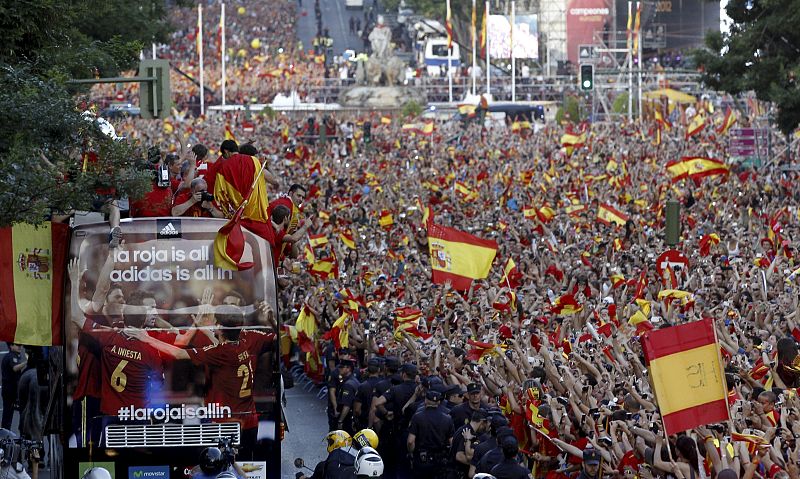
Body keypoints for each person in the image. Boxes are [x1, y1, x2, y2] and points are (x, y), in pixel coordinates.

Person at [128, 304, 275, 460]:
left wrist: (146, 338)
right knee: (247, 463)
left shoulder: (219, 352)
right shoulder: (248, 339)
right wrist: (272, 320)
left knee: (223, 464)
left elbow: (178, 353)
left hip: (226, 424)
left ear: (219, 327)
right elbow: (273, 338)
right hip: (250, 421)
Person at [407, 389, 454, 479]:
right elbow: (452, 442)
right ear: (439, 402)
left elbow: (410, 441)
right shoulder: (447, 419)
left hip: (422, 459)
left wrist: (411, 453)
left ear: (425, 400)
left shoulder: (417, 417)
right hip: (440, 460)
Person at [449, 408, 490, 479]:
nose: (484, 427)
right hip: (458, 473)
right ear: (482, 422)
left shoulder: (464, 428)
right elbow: (459, 456)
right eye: (485, 424)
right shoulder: (467, 432)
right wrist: (475, 466)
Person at [1, 343, 26, 430]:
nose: (20, 347)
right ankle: (5, 432)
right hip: (9, 389)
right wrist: (26, 362)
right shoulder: (11, 356)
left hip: (11, 388)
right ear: (11, 346)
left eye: (20, 345)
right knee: (8, 413)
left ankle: (5, 431)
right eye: (17, 345)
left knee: (8, 412)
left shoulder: (14, 355)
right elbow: (15, 368)